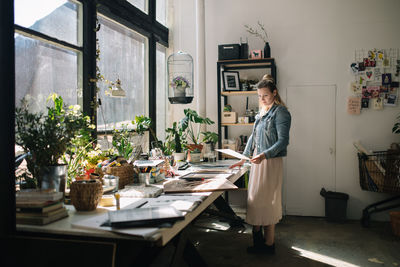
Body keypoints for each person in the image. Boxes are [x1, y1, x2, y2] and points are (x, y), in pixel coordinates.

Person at [229, 74, 291, 254]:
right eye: (259, 96)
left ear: (274, 93)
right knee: (255, 201)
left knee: (267, 202)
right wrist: (243, 157)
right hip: (258, 160)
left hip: (270, 161)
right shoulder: (262, 112)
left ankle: (268, 245)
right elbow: (253, 137)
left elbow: (283, 142)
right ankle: (258, 243)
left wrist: (264, 155)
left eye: (264, 95)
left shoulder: (281, 112)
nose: (261, 99)